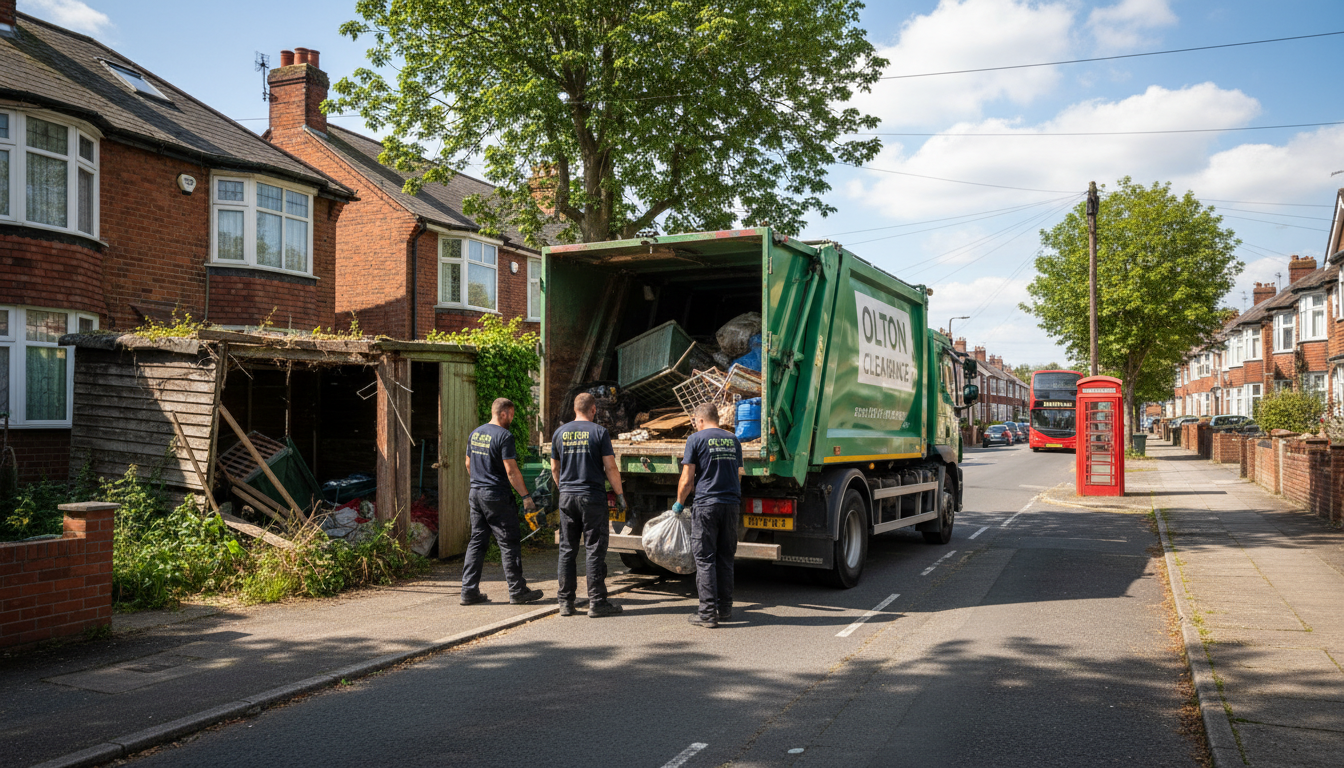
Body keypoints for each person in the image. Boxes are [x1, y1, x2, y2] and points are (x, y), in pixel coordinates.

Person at [461, 398, 543, 606]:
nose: (512, 419)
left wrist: (479, 481)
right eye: (512, 415)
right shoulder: (504, 436)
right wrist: (526, 497)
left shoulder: (476, 433)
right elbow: (511, 471)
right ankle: (517, 591)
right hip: (496, 495)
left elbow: (468, 464)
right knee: (509, 542)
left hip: (476, 493)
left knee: (477, 542)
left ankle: (469, 591)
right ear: (504, 413)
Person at [552, 393, 626, 618]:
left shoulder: (559, 433)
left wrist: (563, 488)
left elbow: (555, 469)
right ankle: (597, 602)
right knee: (594, 549)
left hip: (567, 496)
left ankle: (565, 602)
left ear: (575, 409)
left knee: (567, 549)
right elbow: (610, 467)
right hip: (592, 498)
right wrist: (620, 495)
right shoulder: (599, 432)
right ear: (593, 410)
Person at [675, 402, 743, 629]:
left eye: (695, 422)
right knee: (725, 558)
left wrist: (679, 503)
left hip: (706, 505)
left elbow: (687, 478)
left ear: (700, 420)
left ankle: (707, 614)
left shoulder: (696, 439)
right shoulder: (733, 440)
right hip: (731, 505)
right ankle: (724, 609)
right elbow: (739, 473)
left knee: (705, 559)